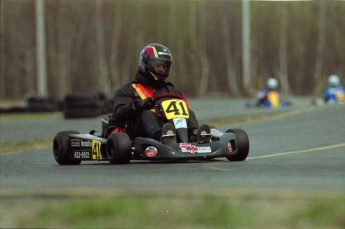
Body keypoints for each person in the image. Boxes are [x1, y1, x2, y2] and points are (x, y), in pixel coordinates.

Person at [111, 43, 210, 144]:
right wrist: (138, 105)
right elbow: (118, 114)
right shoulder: (129, 90)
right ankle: (163, 137)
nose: (162, 69)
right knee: (147, 114)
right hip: (138, 134)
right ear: (145, 64)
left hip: (171, 129)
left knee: (189, 113)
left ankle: (194, 135)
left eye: (164, 66)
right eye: (158, 65)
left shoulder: (172, 90)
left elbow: (185, 111)